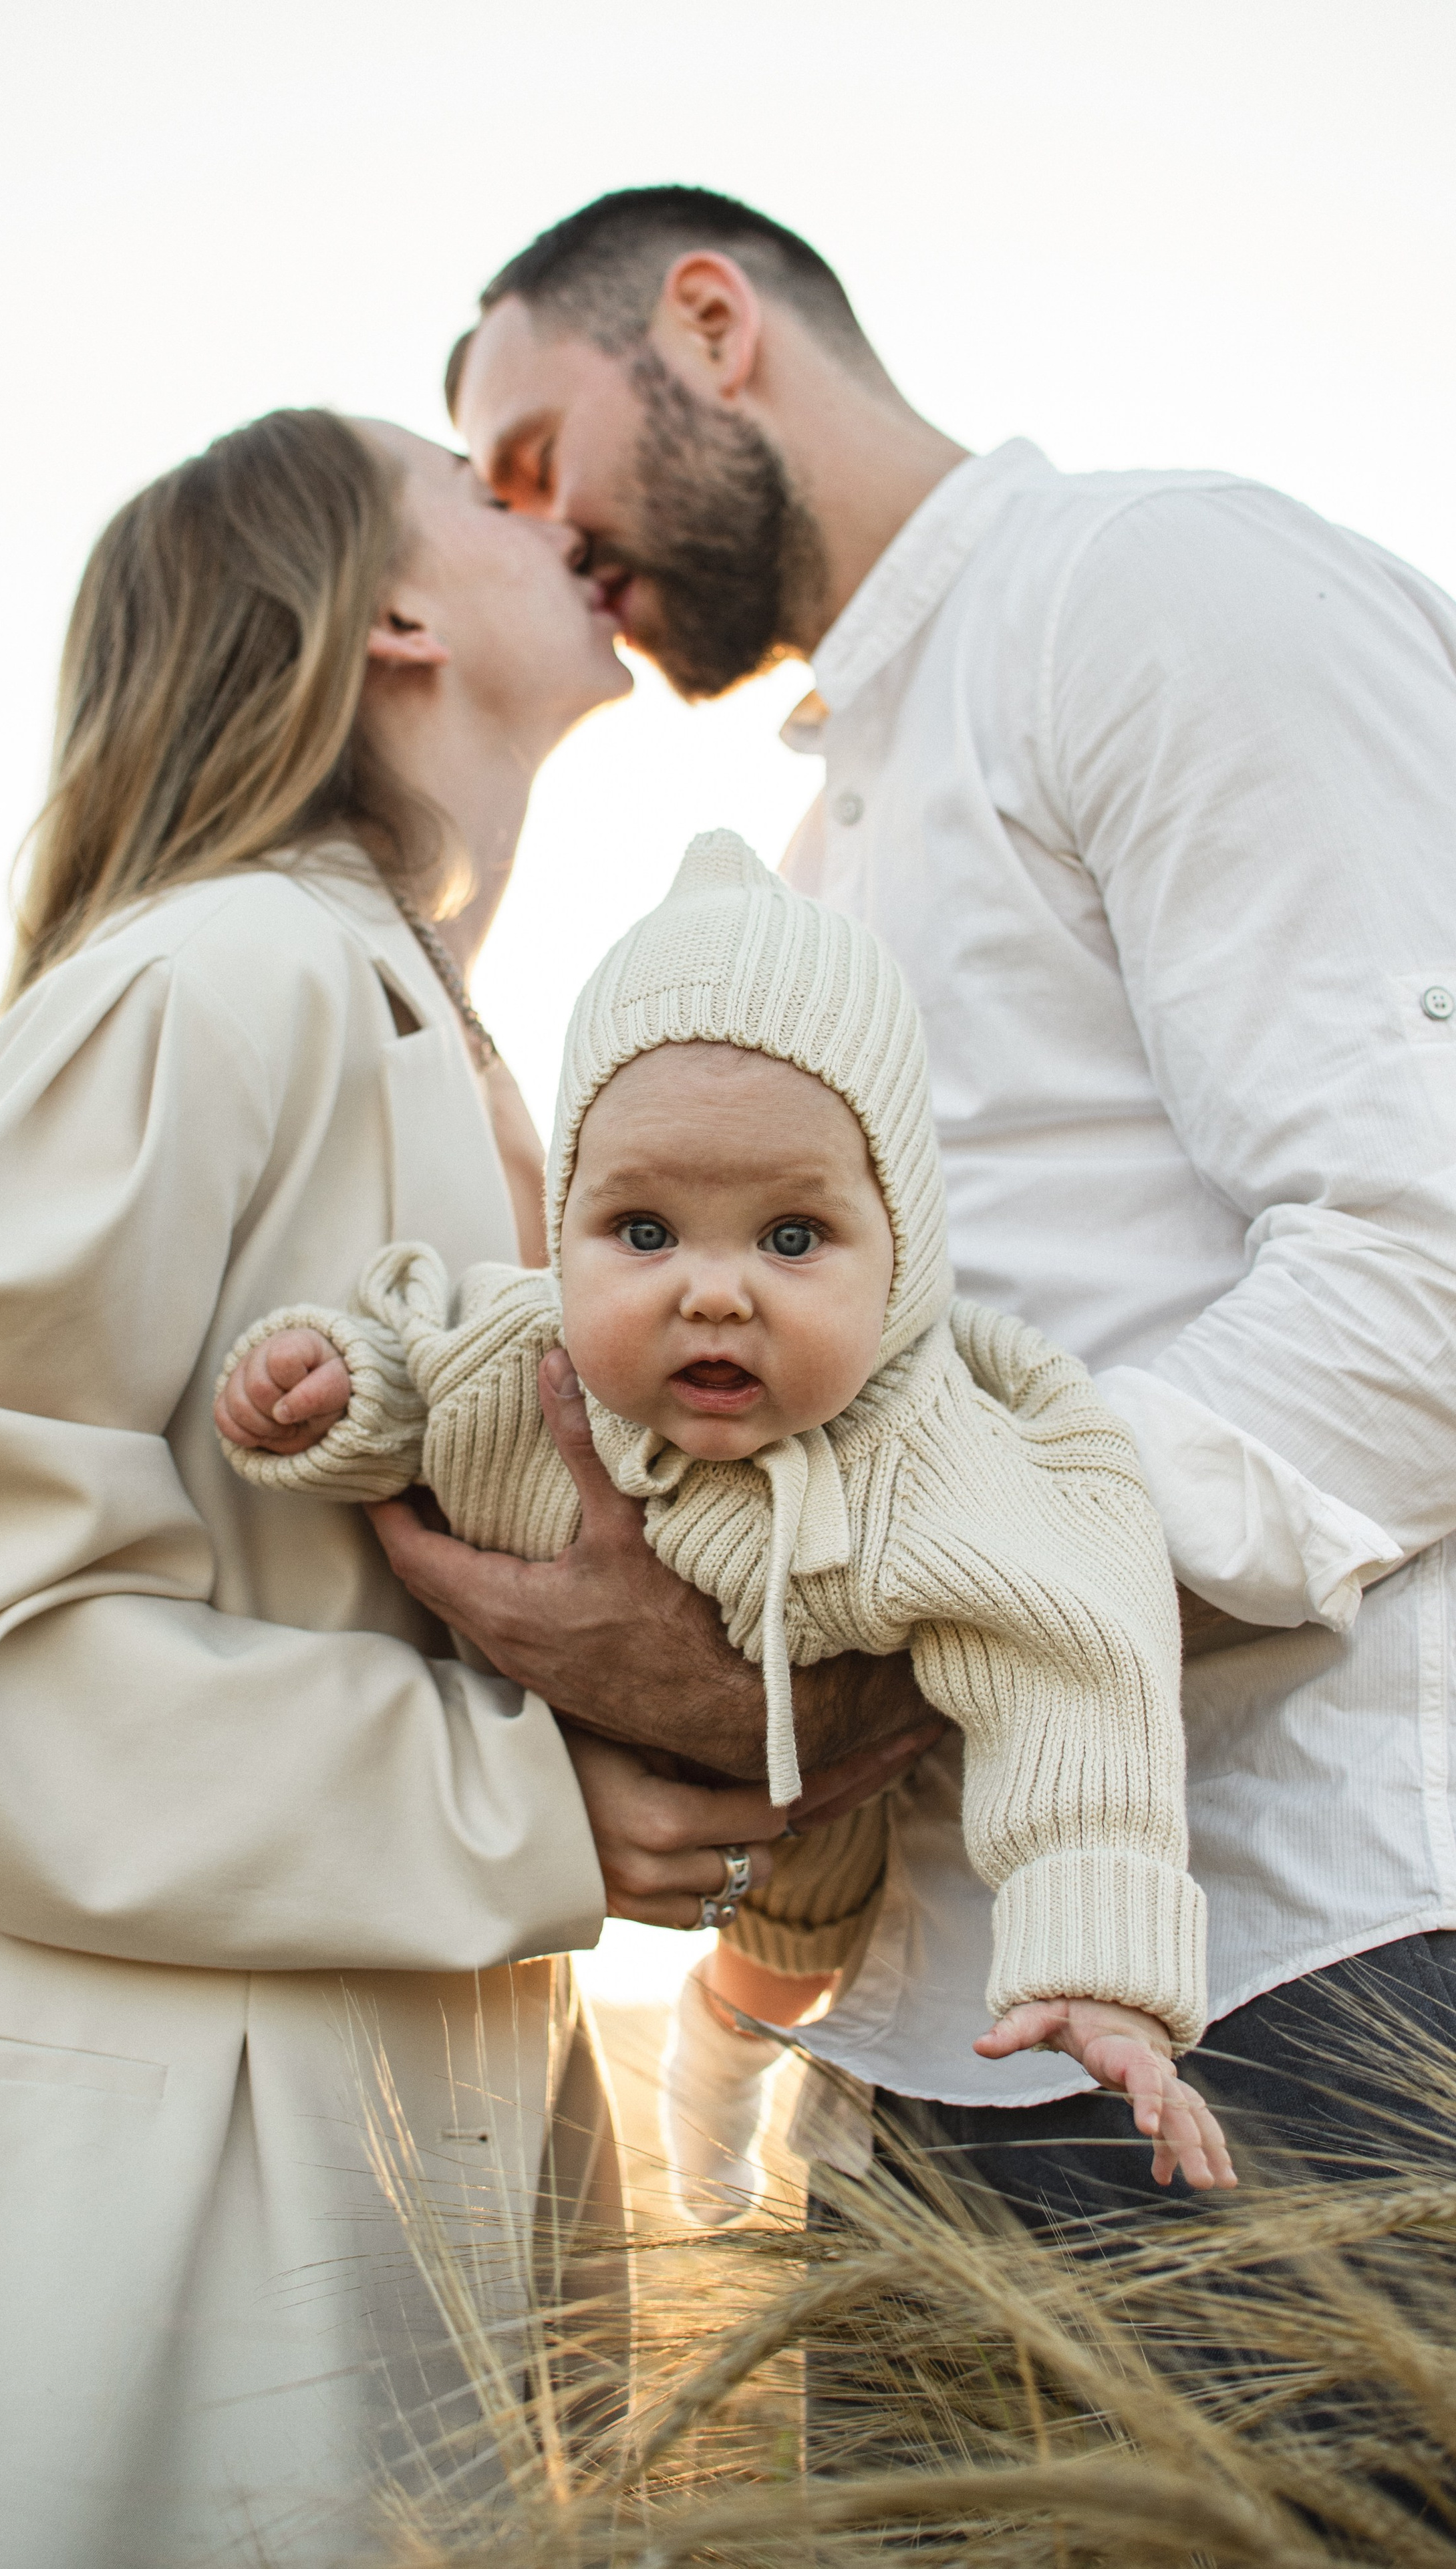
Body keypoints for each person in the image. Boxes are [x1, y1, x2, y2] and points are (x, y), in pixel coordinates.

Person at [0, 404, 934, 2569]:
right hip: (119, 2277)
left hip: (378, 2209)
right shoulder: (215, 979)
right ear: (392, 617)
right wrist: (535, 1809)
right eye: (483, 494)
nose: (552, 508)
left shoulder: (454, 1043)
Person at [430, 186, 1456, 2229]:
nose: (535, 538)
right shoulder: (809, 857)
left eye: (536, 456)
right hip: (919, 2057)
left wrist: (864, 1657)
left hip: (1319, 1970)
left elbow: (1418, 1251)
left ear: (712, 327)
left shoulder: (1156, 585)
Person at [217, 830, 1234, 2203]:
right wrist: (329, 1394)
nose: (711, 1290)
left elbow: (1073, 1674)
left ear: (902, 1248)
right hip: (554, 1803)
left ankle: (721, 2046)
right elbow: (410, 1371)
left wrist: (1100, 1974)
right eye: (642, 1229)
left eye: (790, 1237)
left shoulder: (927, 1450)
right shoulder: (529, 1358)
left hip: (810, 1825)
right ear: (566, 1220)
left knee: (788, 1950)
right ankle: (704, 2043)